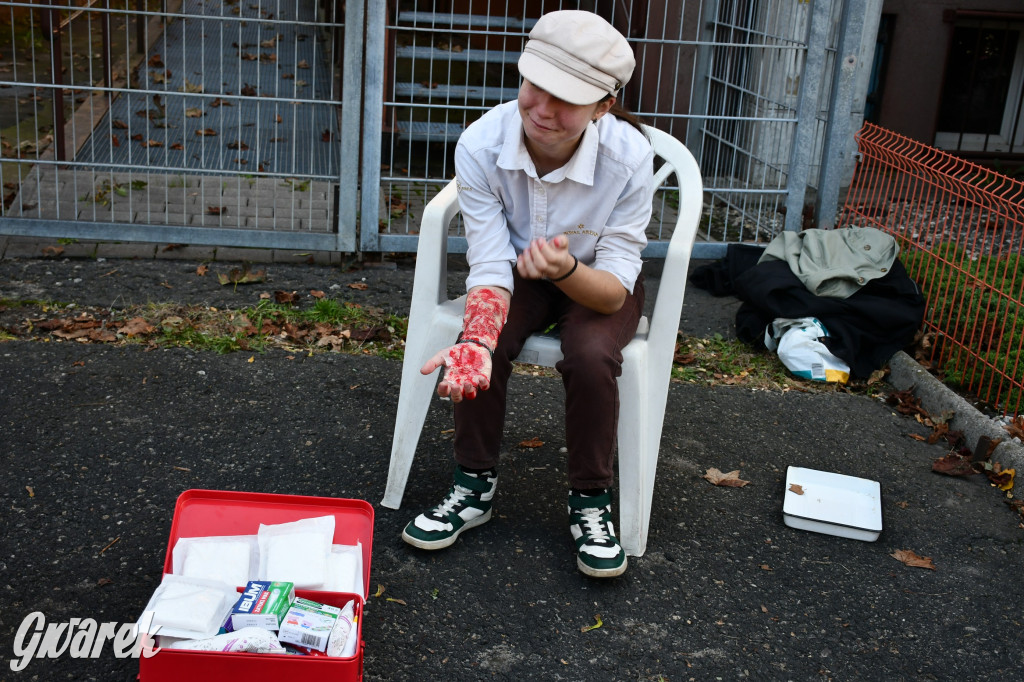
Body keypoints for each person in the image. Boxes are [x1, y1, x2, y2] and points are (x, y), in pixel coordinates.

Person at [401, 10, 654, 578]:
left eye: (566, 99)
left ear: (603, 106)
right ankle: (473, 483)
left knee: (590, 354)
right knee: (478, 348)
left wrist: (564, 268)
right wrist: (480, 338)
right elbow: (490, 264)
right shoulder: (481, 143)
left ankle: (591, 496)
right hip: (515, 276)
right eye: (535, 85)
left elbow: (613, 293)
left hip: (595, 281)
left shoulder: (630, 159)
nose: (541, 109)